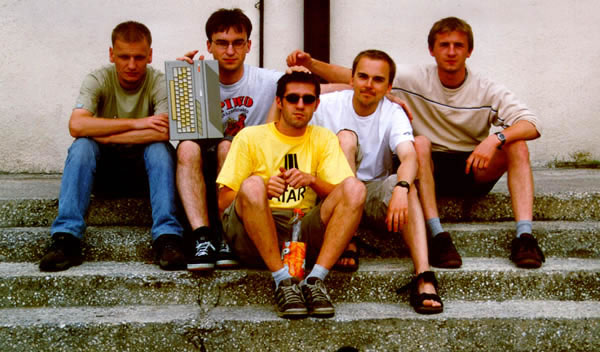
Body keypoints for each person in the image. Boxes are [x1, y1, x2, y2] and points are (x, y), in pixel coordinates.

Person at [286, 16, 544, 269]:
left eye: (458, 46)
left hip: (473, 164)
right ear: (432, 50)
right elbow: (359, 77)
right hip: (427, 167)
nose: (451, 52)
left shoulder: (486, 89)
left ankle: (524, 237)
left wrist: (496, 138)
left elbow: (532, 124)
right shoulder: (414, 79)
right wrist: (311, 64)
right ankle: (438, 235)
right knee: (419, 143)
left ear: (469, 51)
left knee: (517, 145)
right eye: (444, 45)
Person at [216, 71, 365, 318]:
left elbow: (344, 195)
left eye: (308, 99)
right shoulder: (250, 137)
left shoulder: (323, 138)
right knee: (253, 185)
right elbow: (223, 201)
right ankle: (283, 281)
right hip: (254, 233)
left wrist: (312, 181)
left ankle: (315, 280)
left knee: (355, 187)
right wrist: (264, 190)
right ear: (279, 102)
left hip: (301, 231)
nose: (300, 105)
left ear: (316, 104)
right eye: (293, 98)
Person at [39, 21, 186, 272]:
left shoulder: (159, 82)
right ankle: (66, 238)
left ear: (150, 55)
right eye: (124, 57)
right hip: (104, 174)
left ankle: (167, 238)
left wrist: (105, 134)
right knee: (82, 147)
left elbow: (163, 132)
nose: (132, 65)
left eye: (139, 57)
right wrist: (138, 123)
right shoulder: (98, 79)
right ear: (111, 54)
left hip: (144, 175)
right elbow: (77, 125)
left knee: (160, 150)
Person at [309, 49, 442, 314]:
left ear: (389, 87)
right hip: (335, 194)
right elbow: (291, 98)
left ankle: (424, 275)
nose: (369, 85)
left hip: (373, 193)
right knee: (346, 138)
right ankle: (347, 237)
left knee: (406, 184)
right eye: (363, 77)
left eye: (378, 80)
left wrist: (402, 188)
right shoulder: (328, 104)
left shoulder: (393, 112)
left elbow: (408, 156)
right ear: (351, 79)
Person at [176, 8, 284, 271]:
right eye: (222, 43)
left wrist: (307, 69)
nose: (230, 51)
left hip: (244, 166)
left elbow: (325, 88)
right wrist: (181, 80)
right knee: (187, 146)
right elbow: (177, 127)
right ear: (209, 46)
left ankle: (227, 236)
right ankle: (202, 238)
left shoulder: (266, 80)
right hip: (203, 167)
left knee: (228, 145)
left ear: (248, 46)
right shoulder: (196, 76)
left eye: (238, 43)